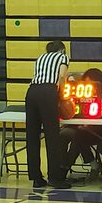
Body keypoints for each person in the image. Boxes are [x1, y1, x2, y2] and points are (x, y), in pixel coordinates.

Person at [24, 40, 71, 190]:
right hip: (48, 92)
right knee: (52, 136)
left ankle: (36, 177)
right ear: (62, 50)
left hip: (31, 92)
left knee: (32, 136)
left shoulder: (40, 58)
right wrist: (63, 98)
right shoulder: (63, 57)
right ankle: (55, 178)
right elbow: (62, 77)